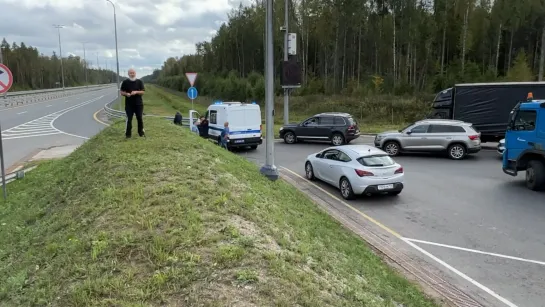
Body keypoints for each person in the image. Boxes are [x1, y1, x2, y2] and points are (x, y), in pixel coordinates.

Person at [120, 68, 145, 138]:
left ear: (135, 73)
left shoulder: (140, 82)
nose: (132, 74)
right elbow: (121, 92)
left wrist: (136, 92)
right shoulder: (125, 82)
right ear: (128, 74)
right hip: (129, 105)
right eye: (130, 73)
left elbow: (143, 92)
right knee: (129, 119)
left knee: (139, 118)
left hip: (138, 104)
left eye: (133, 73)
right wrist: (126, 94)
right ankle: (128, 135)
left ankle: (141, 133)